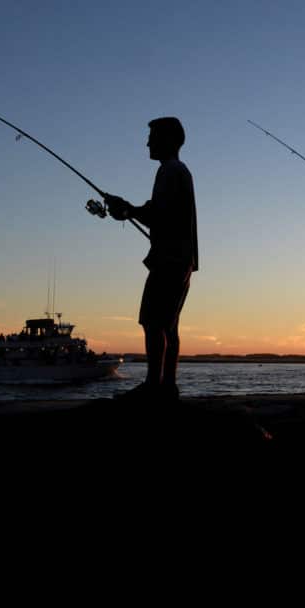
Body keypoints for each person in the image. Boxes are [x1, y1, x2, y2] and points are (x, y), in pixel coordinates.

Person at [97, 117, 198, 401]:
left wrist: (128, 209)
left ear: (168, 139)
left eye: (152, 137)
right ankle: (167, 387)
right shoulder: (180, 171)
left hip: (169, 260)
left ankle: (155, 386)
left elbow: (158, 215)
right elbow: (160, 212)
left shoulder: (169, 171)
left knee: (153, 321)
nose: (147, 143)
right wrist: (129, 210)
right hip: (181, 259)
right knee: (169, 325)